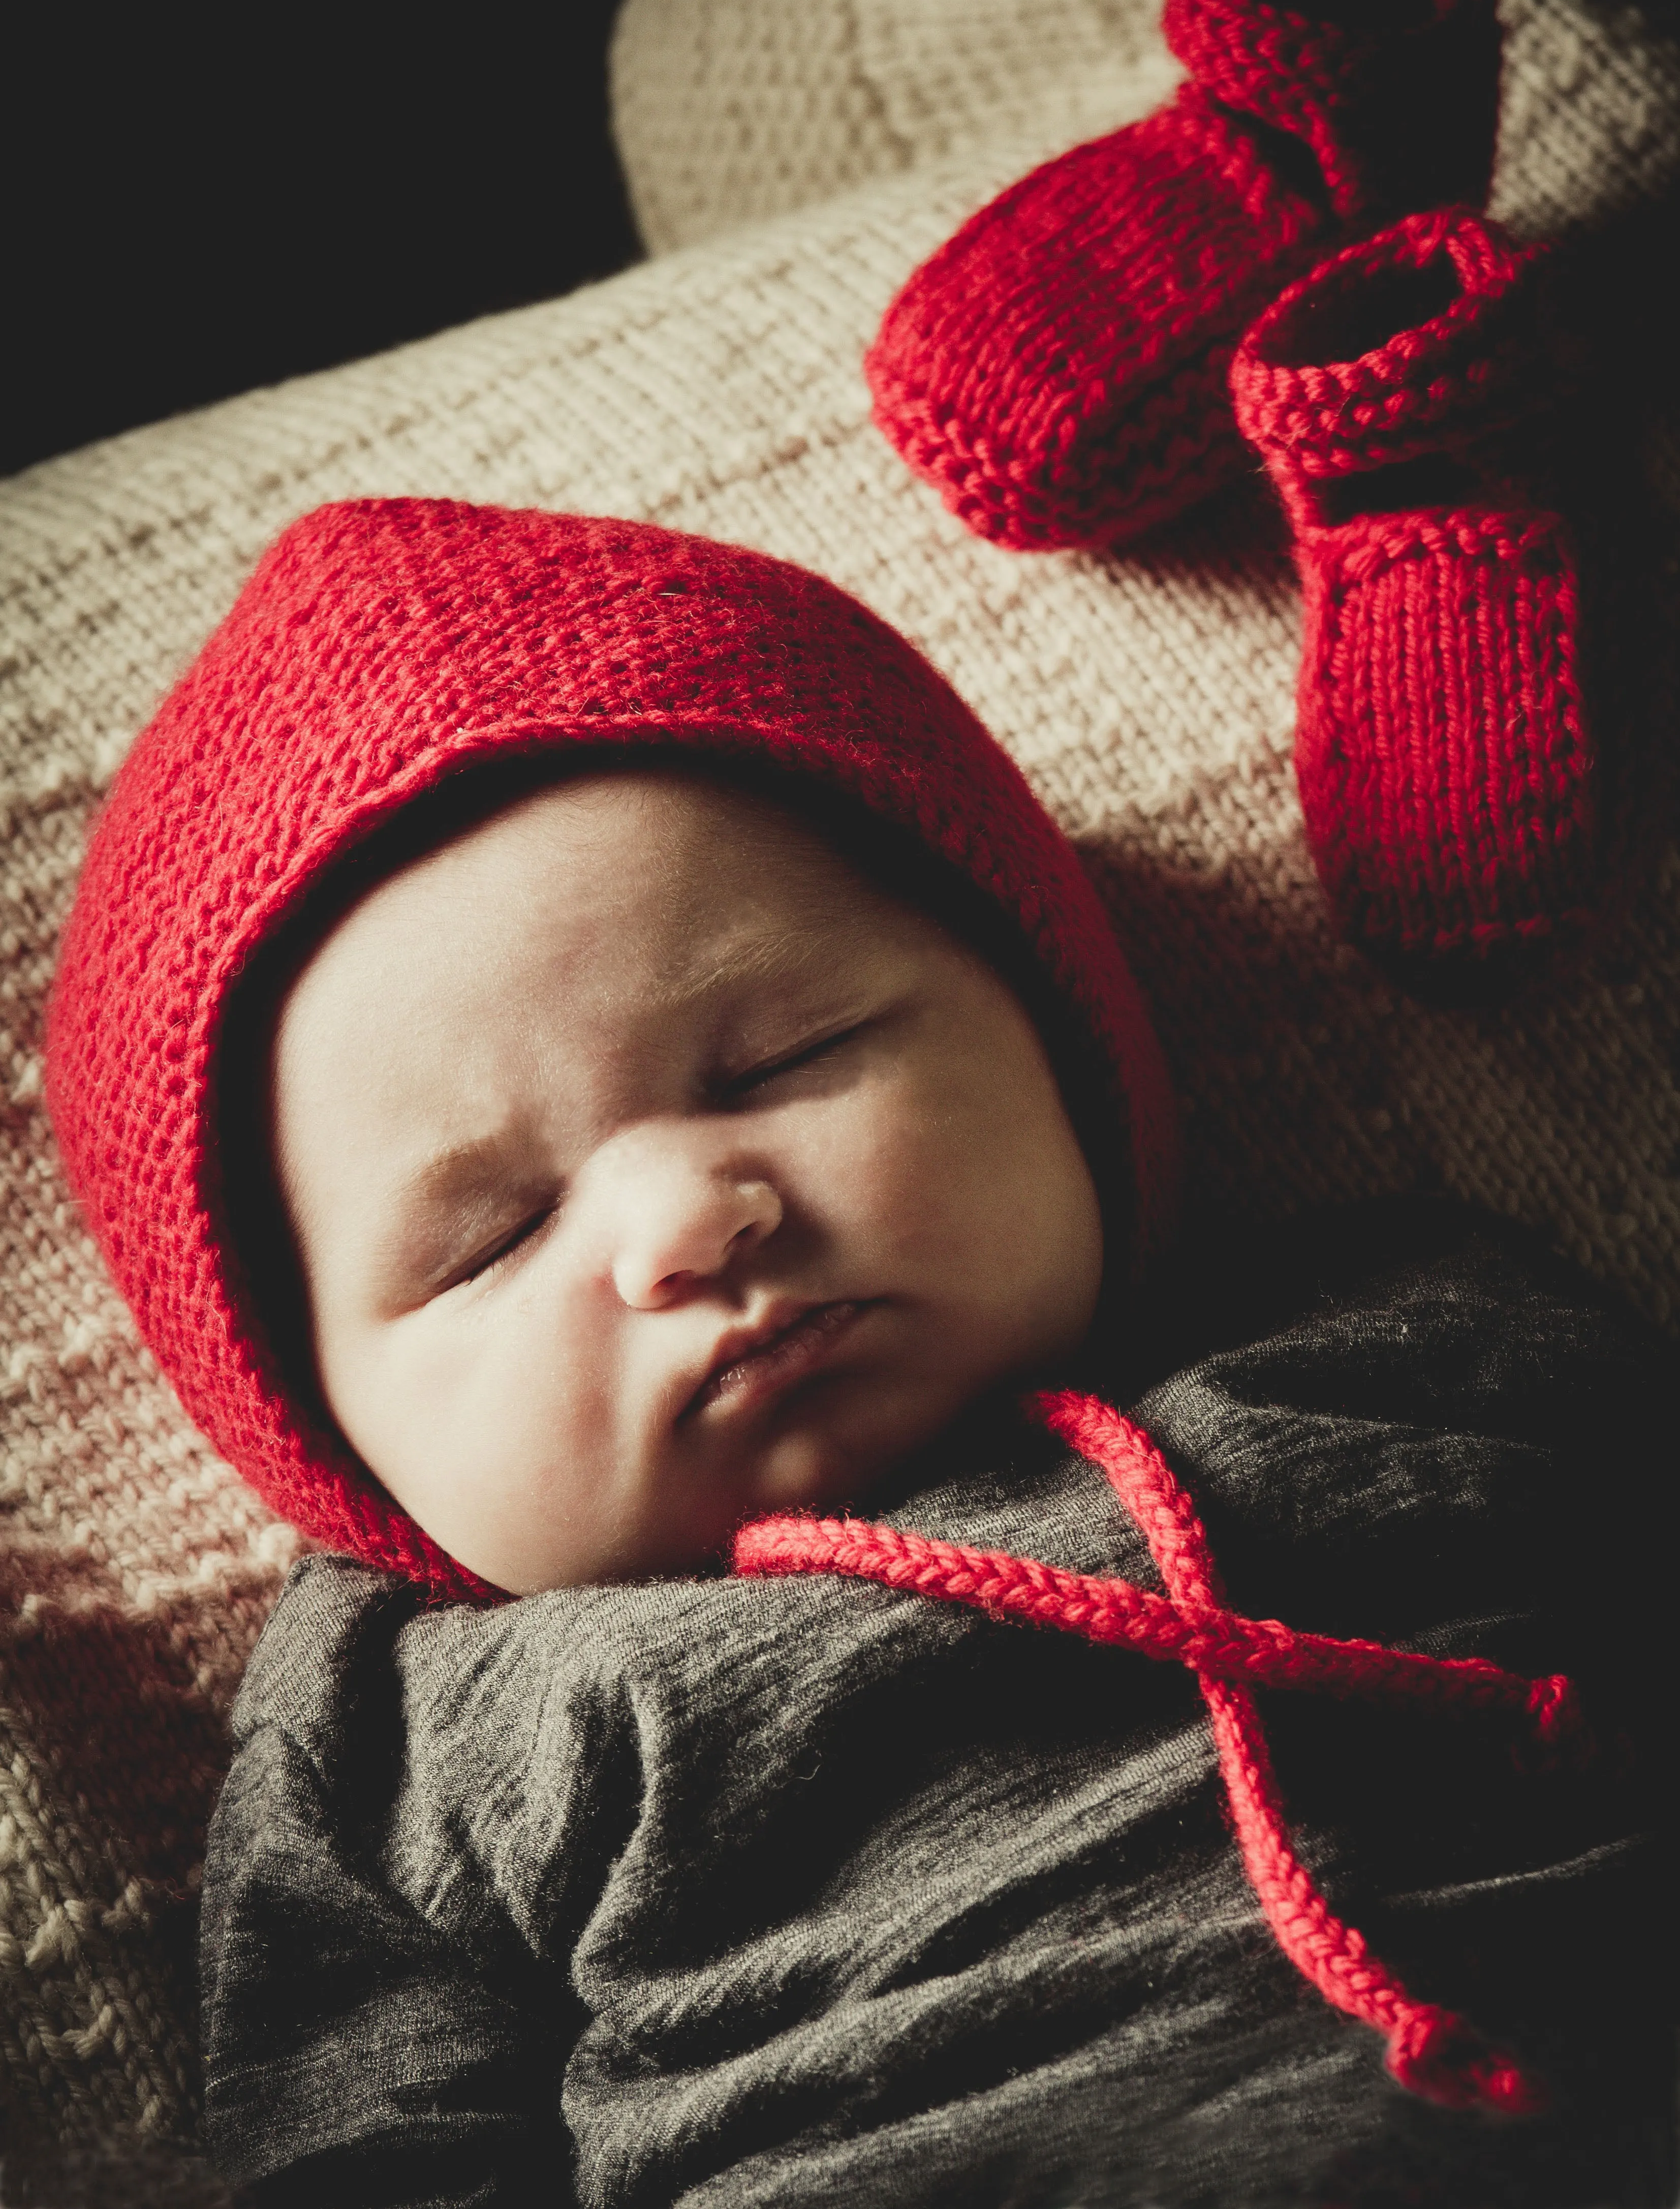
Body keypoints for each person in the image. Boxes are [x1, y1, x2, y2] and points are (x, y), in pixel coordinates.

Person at [46, 498, 1670, 2205]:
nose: (684, 1218)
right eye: (492, 1235)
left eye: (783, 1056)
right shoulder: (399, 1721)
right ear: (328, 1432)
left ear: (1051, 1031)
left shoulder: (1405, 1344)